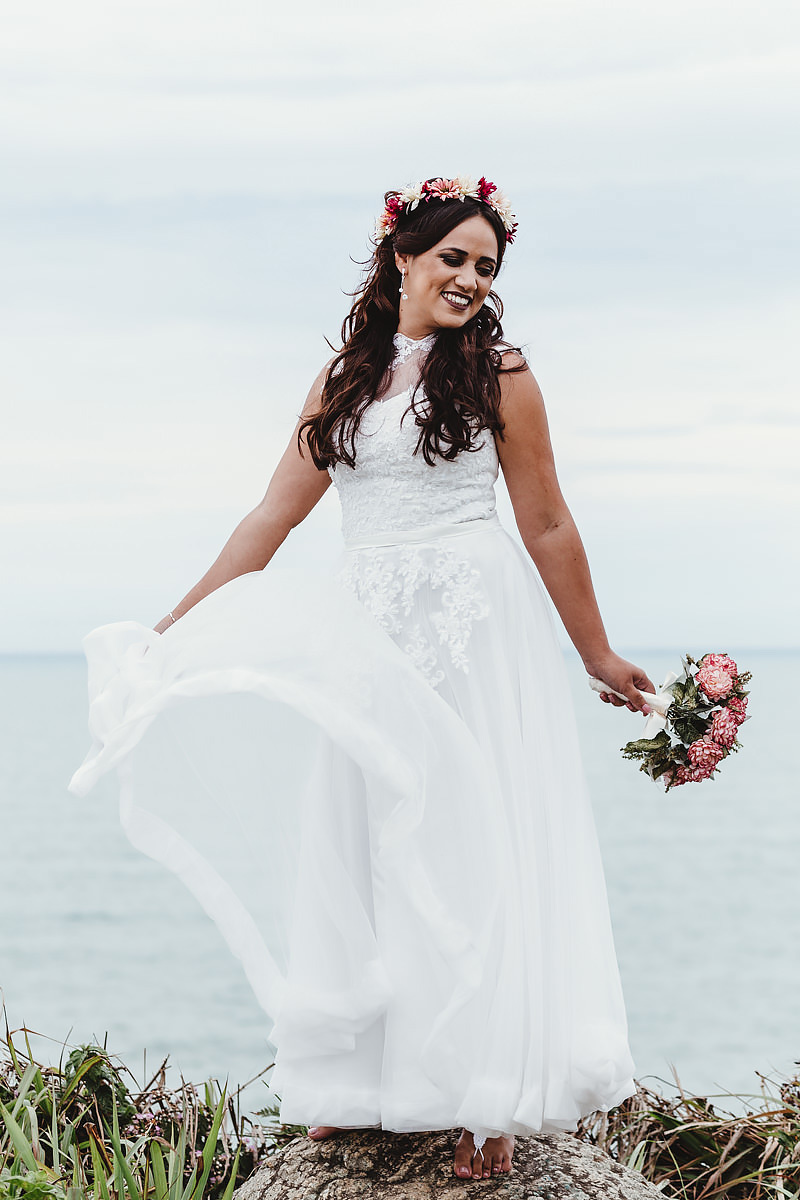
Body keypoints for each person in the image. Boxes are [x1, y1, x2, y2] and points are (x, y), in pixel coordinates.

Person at [70, 175, 654, 1184]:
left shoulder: (503, 375)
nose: (470, 279)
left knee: (470, 839)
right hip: (366, 632)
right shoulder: (343, 378)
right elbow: (270, 517)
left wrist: (595, 651)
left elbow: (548, 520)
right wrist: (176, 628)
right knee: (355, 838)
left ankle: (485, 1095)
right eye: (452, 258)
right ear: (402, 258)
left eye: (485, 266)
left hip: (470, 628)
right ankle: (352, 1082)